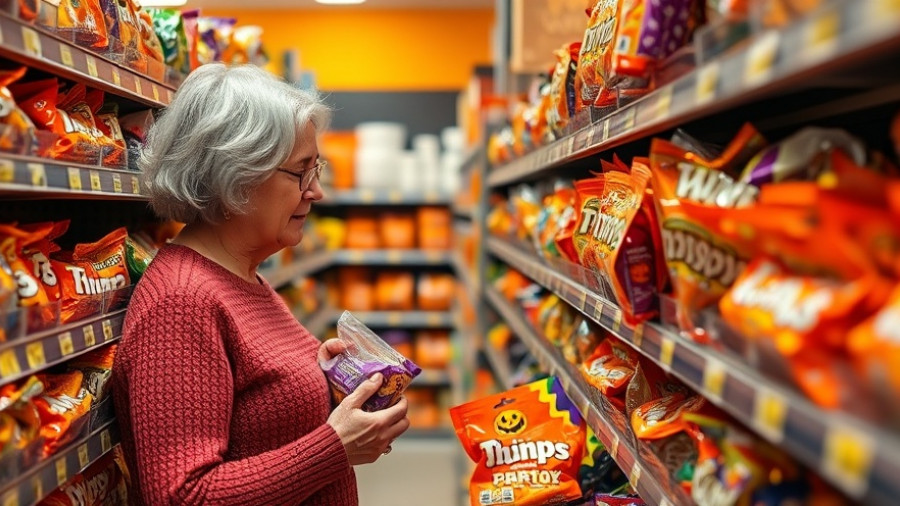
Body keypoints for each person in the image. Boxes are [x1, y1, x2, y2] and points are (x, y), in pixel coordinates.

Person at [111, 63, 410, 506]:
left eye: (317, 168)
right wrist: (334, 447)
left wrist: (320, 380)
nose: (316, 191)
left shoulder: (243, 274)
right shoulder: (181, 302)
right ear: (235, 175)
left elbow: (256, 414)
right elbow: (183, 496)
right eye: (300, 172)